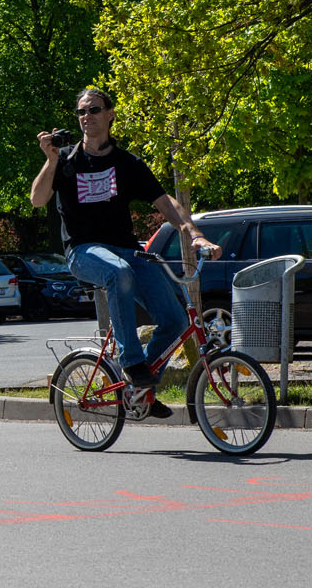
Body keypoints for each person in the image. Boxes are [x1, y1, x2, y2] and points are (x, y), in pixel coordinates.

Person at [31, 87, 219, 415]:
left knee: (174, 322)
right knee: (116, 271)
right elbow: (37, 199)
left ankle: (140, 388)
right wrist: (50, 160)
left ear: (110, 114)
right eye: (81, 112)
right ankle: (132, 362)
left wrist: (194, 234)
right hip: (84, 251)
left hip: (129, 252)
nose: (86, 117)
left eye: (94, 110)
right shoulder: (66, 161)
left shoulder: (126, 163)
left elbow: (165, 202)